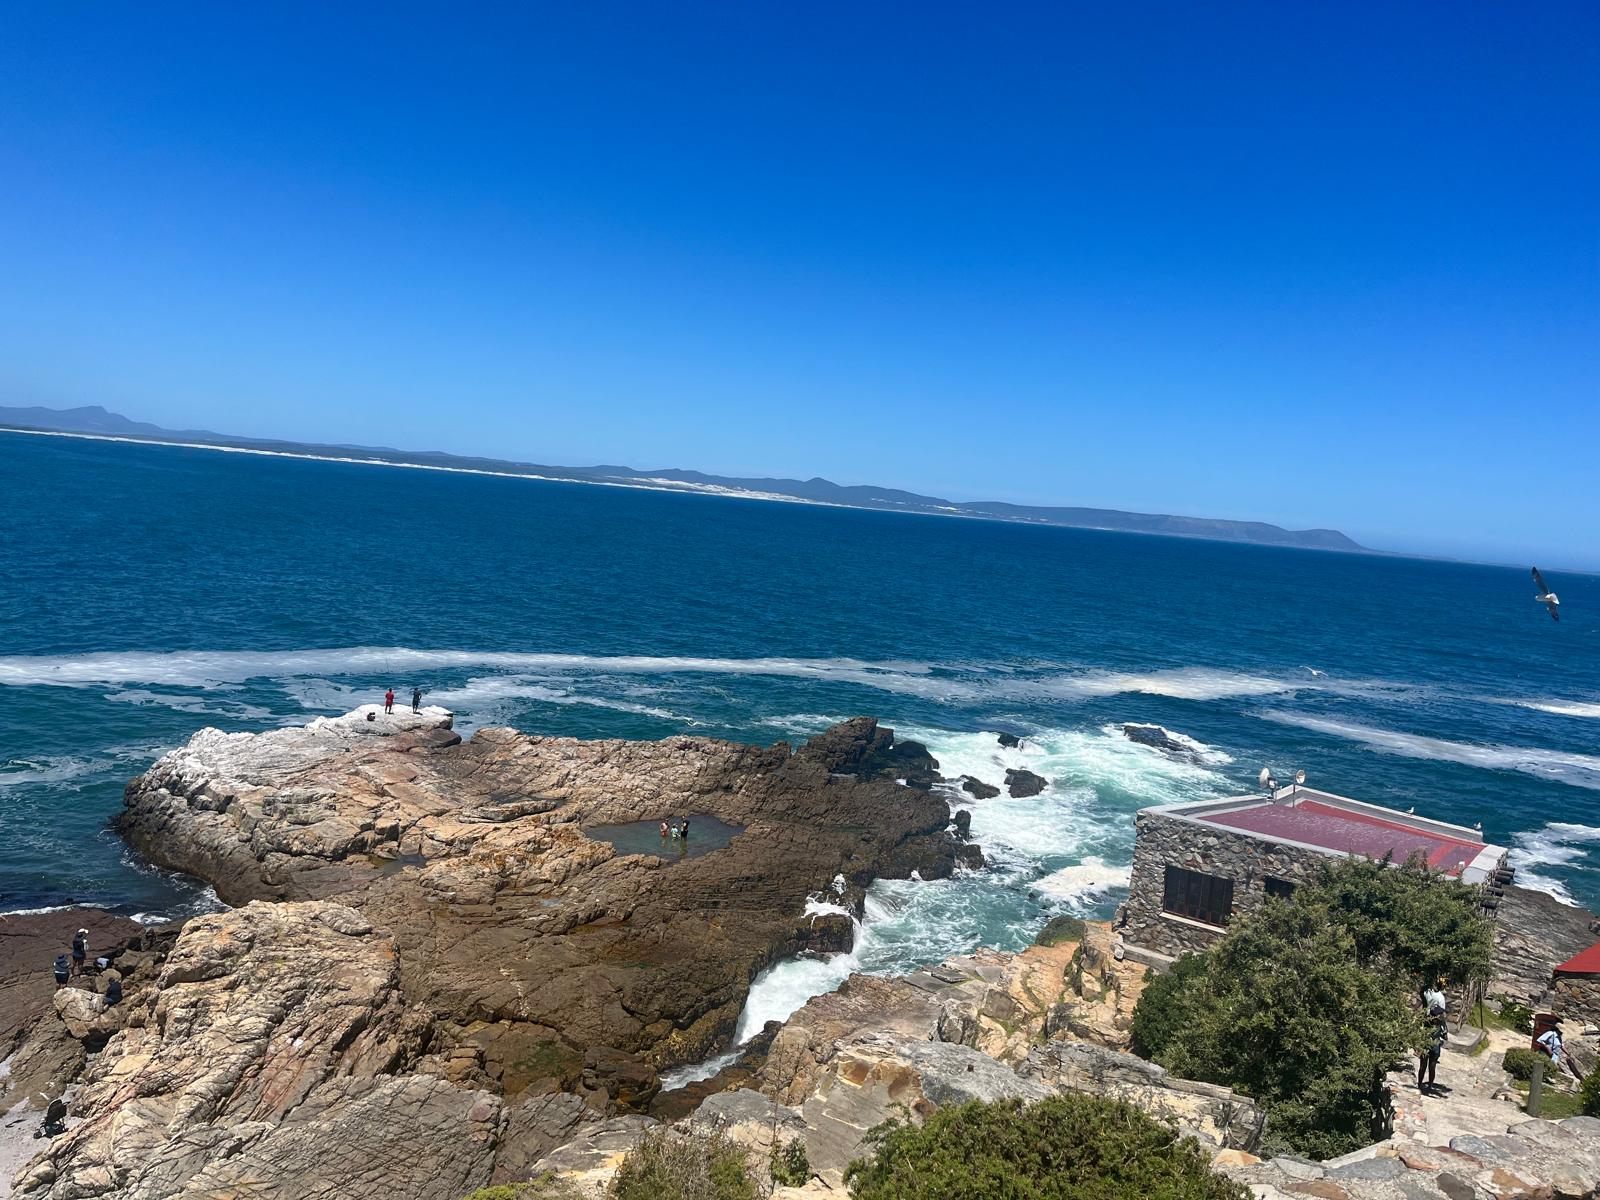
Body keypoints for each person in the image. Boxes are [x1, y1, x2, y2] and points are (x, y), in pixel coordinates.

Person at [1417, 1000, 1447, 1094]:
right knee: (1428, 1066)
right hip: (1429, 1046)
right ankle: (1425, 1084)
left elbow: (1445, 1036)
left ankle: (1423, 1084)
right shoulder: (1433, 1023)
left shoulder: (1434, 1022)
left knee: (1427, 1066)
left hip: (1431, 1046)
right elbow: (1445, 1036)